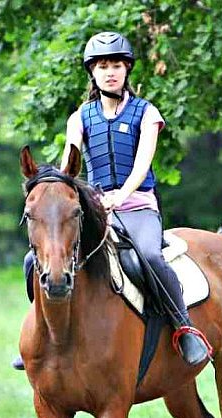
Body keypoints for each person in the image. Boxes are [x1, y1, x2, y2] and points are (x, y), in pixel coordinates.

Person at [14, 31, 211, 370]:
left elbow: (142, 164)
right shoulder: (80, 117)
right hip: (95, 210)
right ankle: (41, 334)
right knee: (35, 261)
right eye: (102, 66)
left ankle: (184, 329)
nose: (110, 72)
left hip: (137, 207)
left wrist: (121, 195)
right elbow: (69, 165)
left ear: (127, 69)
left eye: (116, 66)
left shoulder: (146, 113)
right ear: (92, 72)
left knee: (150, 256)